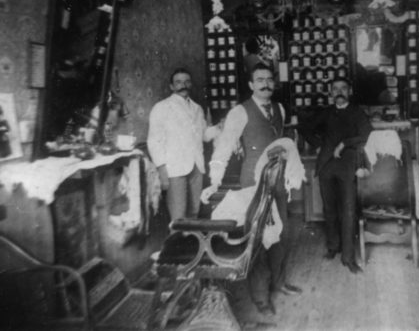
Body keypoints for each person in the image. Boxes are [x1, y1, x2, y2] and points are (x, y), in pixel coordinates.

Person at [200, 62, 301, 316]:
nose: (266, 84)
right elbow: (223, 147)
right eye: (260, 80)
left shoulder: (279, 108)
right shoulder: (239, 112)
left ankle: (278, 282)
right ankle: (260, 297)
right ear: (250, 85)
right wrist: (214, 180)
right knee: (257, 238)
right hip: (252, 184)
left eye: (269, 79)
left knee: (282, 232)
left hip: (277, 181)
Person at [299, 77, 372, 273]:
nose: (339, 92)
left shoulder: (357, 113)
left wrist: (345, 143)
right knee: (329, 209)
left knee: (348, 211)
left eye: (343, 88)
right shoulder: (326, 113)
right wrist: (318, 144)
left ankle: (348, 257)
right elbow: (304, 127)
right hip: (326, 165)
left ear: (349, 91)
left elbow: (367, 135)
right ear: (330, 93)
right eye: (335, 89)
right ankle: (333, 246)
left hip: (348, 165)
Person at [147, 68, 219, 221]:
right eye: (178, 82)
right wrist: (162, 170)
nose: (183, 85)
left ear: (191, 84)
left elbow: (204, 136)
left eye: (186, 82)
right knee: (178, 215)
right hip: (174, 168)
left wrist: (220, 128)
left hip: (196, 166)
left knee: (194, 211)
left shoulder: (197, 108)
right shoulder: (161, 108)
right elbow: (154, 141)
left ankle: (191, 243)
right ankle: (176, 243)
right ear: (171, 86)